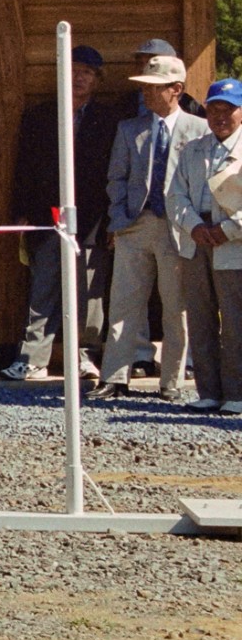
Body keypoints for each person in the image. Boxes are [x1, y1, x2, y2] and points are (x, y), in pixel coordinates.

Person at [0, 45, 120, 382]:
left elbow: (116, 172)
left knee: (90, 291)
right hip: (46, 214)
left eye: (87, 72)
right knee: (44, 287)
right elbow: (23, 166)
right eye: (73, 69)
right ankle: (33, 358)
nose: (79, 77)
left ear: (97, 80)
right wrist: (21, 211)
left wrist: (112, 220)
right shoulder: (40, 116)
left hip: (94, 216)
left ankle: (84, 356)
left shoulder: (109, 120)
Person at [97, 54, 207, 399]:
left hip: (180, 228)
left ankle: (171, 381)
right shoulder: (130, 129)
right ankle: (114, 377)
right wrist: (119, 221)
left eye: (154, 88)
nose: (145, 94)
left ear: (176, 90)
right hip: (136, 225)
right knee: (124, 304)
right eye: (144, 87)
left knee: (177, 307)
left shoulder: (198, 129)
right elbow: (116, 178)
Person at [166, 77, 242, 415]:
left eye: (229, 109)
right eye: (214, 109)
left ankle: (237, 393)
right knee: (200, 318)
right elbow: (175, 195)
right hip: (197, 244)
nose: (220, 116)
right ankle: (208, 390)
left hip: (234, 245)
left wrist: (229, 228)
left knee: (236, 322)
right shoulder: (194, 149)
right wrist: (194, 226)